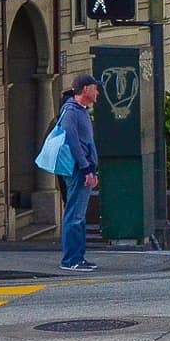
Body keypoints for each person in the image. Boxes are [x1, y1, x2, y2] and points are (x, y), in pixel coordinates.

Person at [58, 73, 101, 272]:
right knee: (74, 215)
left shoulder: (80, 111)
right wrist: (86, 169)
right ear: (86, 90)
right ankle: (71, 259)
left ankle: (79, 257)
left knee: (79, 215)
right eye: (95, 88)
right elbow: (73, 143)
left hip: (84, 169)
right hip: (78, 170)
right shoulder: (71, 112)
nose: (97, 92)